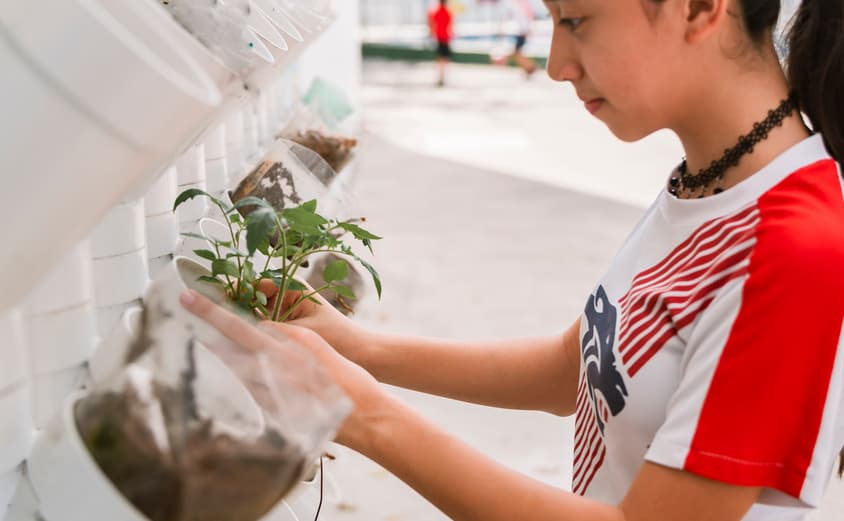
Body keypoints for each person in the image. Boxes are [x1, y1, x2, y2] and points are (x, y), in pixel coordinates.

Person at [181, 0, 844, 519]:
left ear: (699, 7)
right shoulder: (712, 180)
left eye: (576, 21)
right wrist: (359, 349)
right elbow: (575, 368)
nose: (557, 62)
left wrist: (365, 415)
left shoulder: (793, 249)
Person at [428, 0, 454, 87]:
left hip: (439, 38)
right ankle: (442, 77)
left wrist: (432, 34)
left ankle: (441, 77)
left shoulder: (436, 11)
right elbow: (450, 26)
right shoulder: (448, 12)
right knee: (444, 59)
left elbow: (431, 24)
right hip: (445, 38)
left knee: (440, 59)